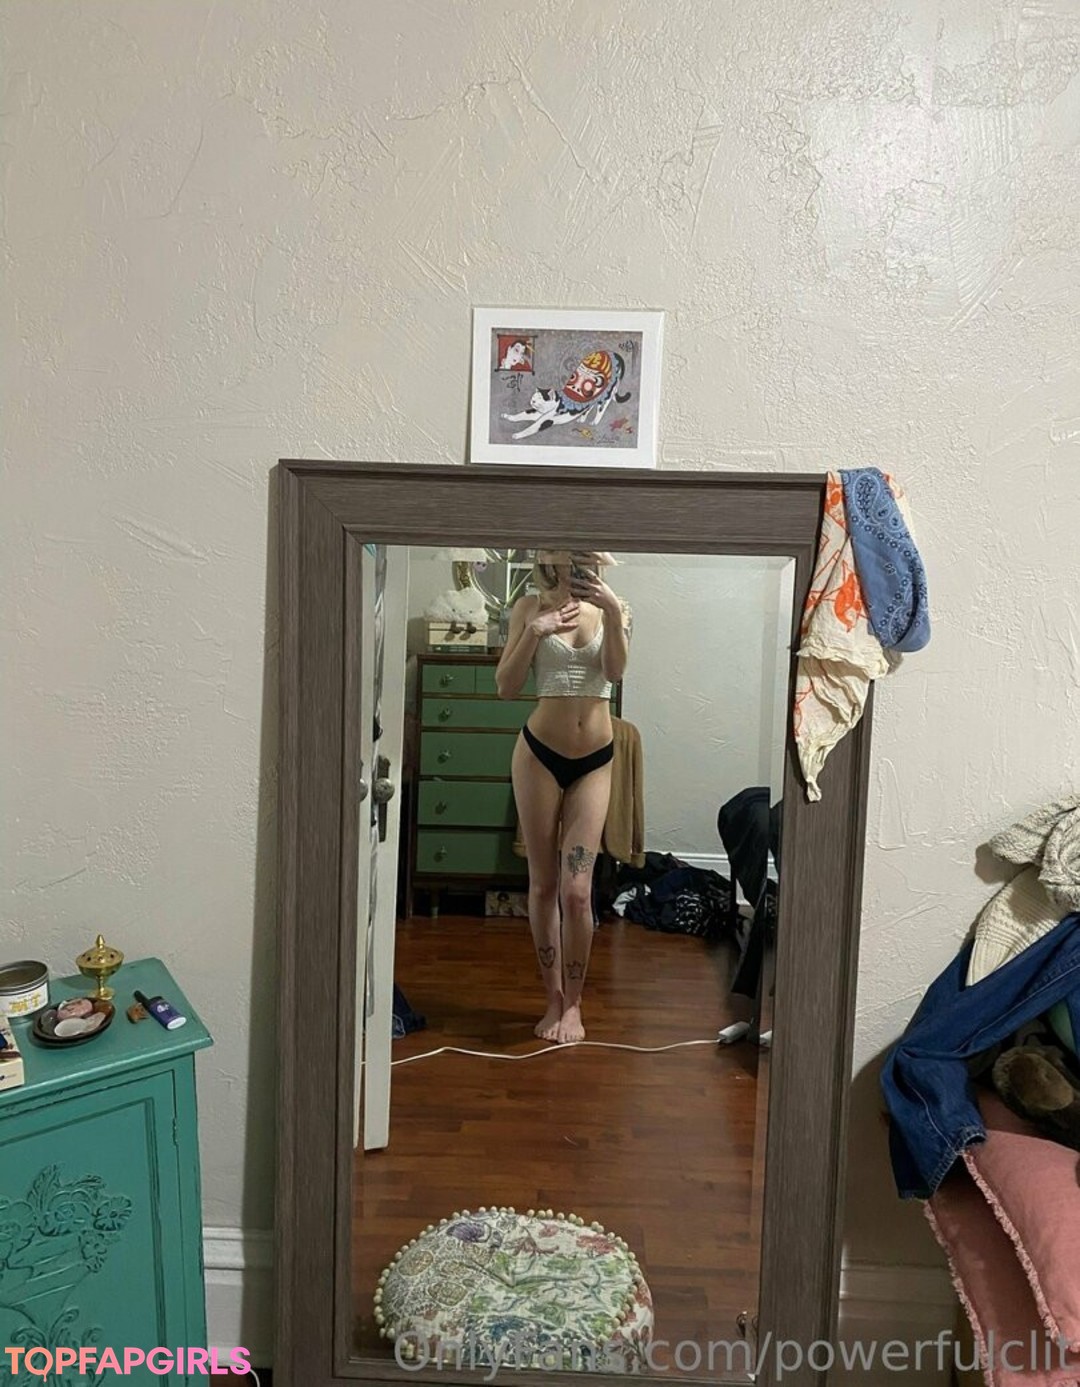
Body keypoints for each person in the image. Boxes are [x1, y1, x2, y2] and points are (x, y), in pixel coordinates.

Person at [495, 551, 630, 1044]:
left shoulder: (615, 606)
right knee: (543, 885)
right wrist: (535, 632)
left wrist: (611, 611)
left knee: (577, 891)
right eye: (563, 554)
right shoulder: (528, 607)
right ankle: (553, 998)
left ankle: (575, 1003)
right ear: (548, 557)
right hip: (538, 756)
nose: (573, 564)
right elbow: (506, 688)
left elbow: (614, 672)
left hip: (595, 760)